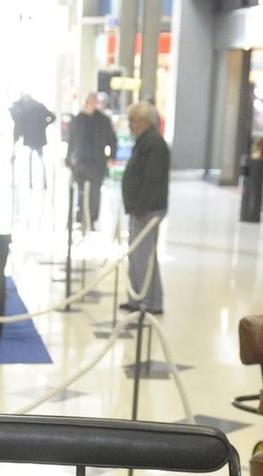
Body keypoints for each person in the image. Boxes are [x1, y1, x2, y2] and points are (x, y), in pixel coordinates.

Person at [120, 101, 168, 316]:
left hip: (147, 210)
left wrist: (140, 207)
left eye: (133, 120)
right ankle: (138, 297)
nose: (130, 124)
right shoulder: (143, 142)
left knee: (143, 256)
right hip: (140, 209)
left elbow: (153, 179)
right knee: (137, 255)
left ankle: (151, 301)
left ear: (145, 121)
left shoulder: (154, 144)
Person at [66, 92, 115, 232]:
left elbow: (112, 139)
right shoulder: (77, 119)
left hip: (97, 162)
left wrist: (111, 156)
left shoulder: (103, 120)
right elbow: (71, 140)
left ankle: (92, 219)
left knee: (94, 192)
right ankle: (80, 216)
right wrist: (69, 158)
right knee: (81, 191)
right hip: (80, 162)